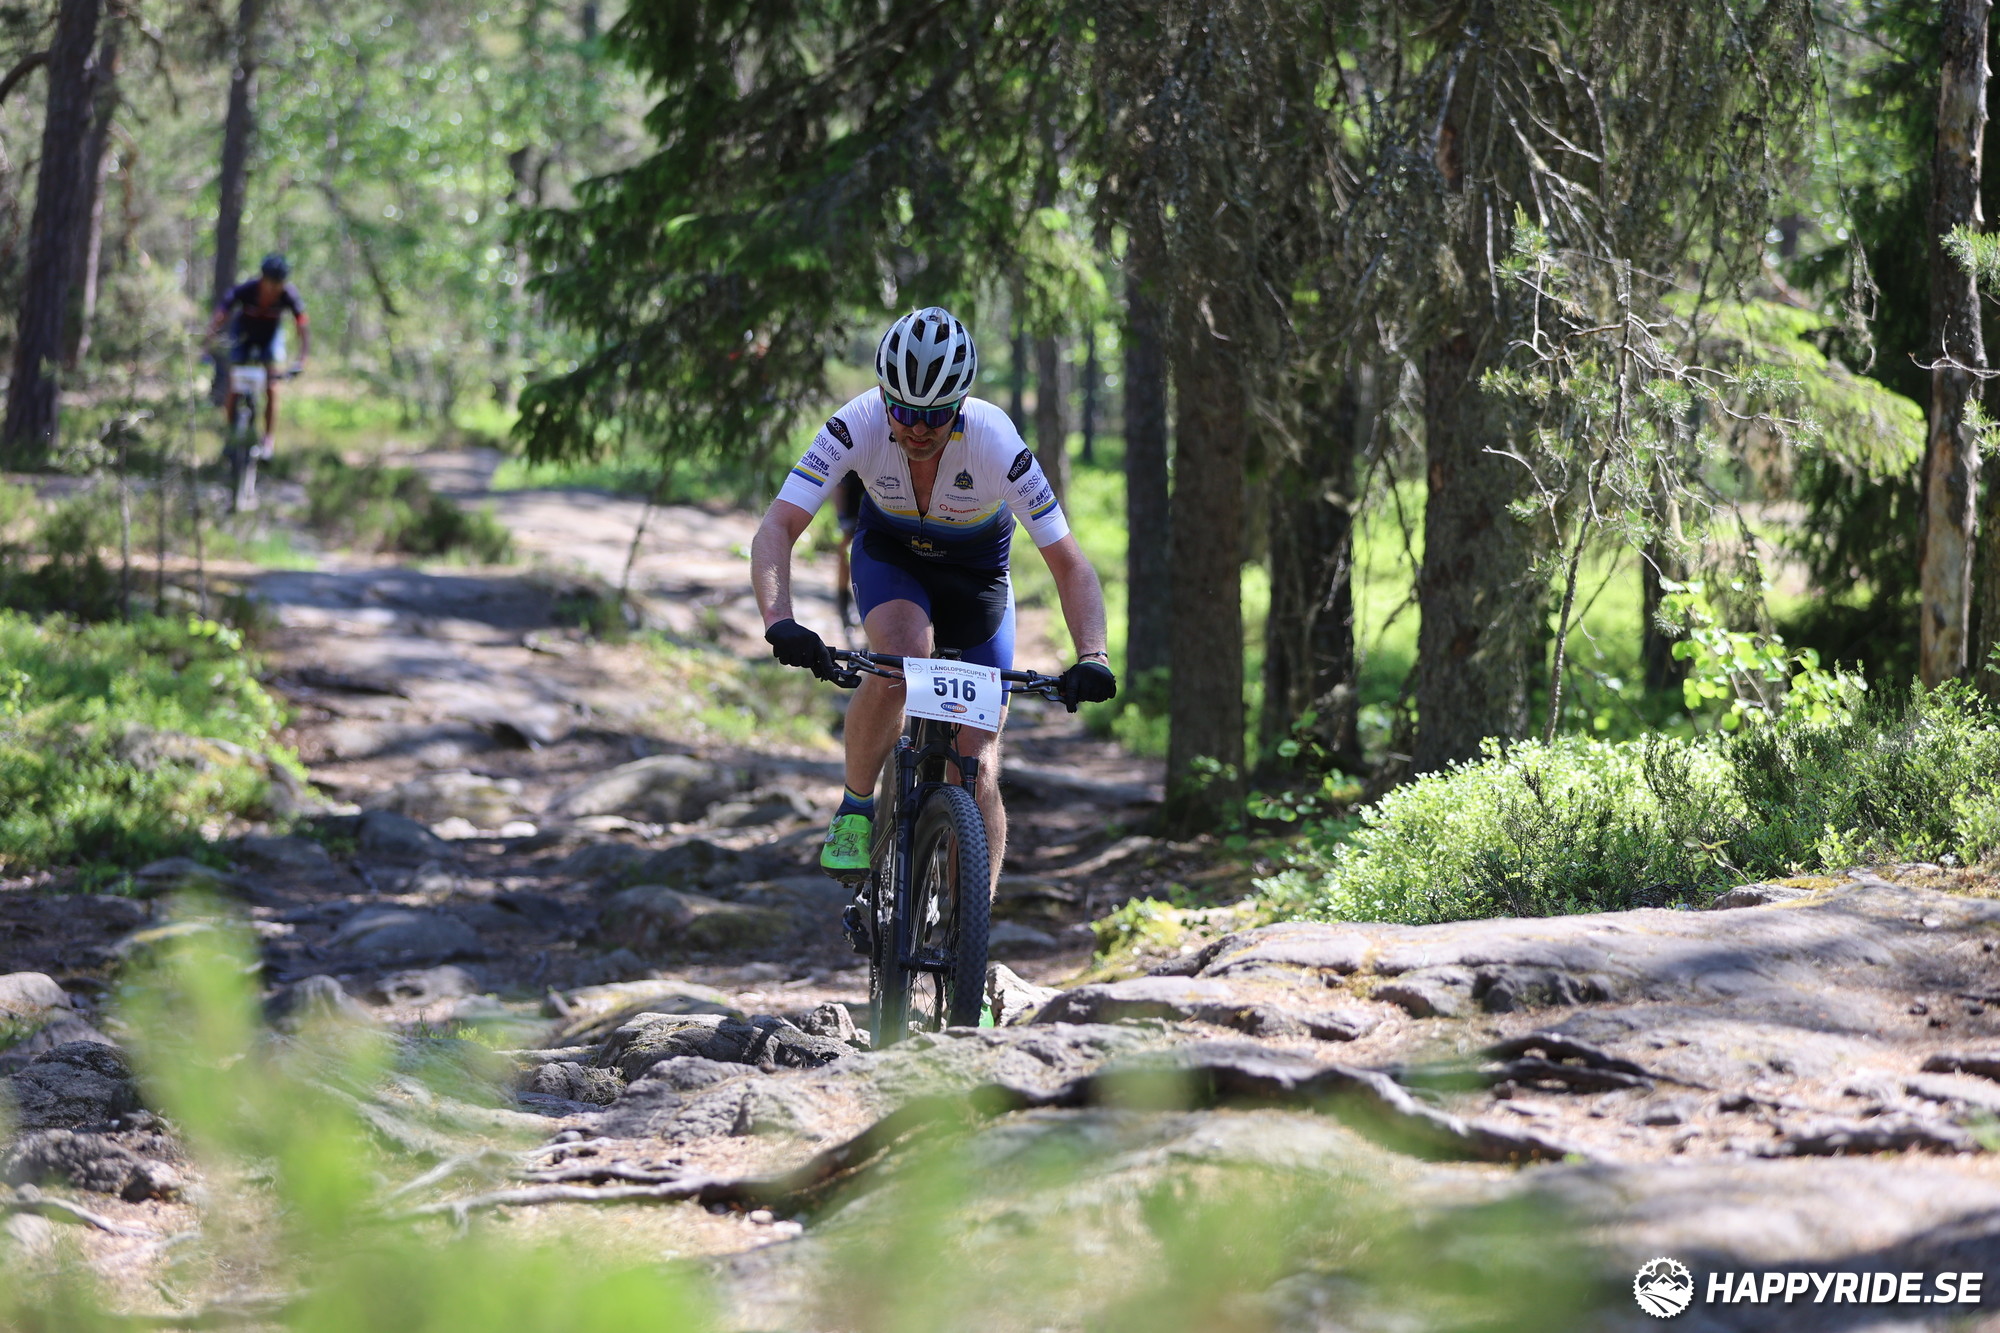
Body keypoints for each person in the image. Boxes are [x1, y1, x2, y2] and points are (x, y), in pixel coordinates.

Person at [750, 306, 1118, 889]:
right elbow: (778, 526)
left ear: (962, 405)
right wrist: (780, 621)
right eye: (904, 412)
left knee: (978, 763)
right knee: (900, 659)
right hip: (892, 557)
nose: (918, 429)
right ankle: (856, 806)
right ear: (882, 397)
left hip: (977, 577)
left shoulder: (997, 442)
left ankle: (971, 922)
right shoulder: (855, 423)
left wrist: (1092, 655)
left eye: (937, 415)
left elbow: (1069, 564)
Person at [208, 252, 308, 459]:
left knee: (272, 387)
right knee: (234, 385)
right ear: (262, 278)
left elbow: (302, 326)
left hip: (269, 339)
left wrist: (302, 358)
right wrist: (208, 342)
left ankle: (268, 441)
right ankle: (230, 436)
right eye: (270, 282)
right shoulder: (247, 290)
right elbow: (221, 313)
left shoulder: (288, 295)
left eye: (278, 283)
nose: (273, 288)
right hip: (242, 336)